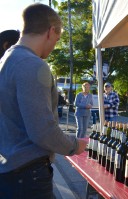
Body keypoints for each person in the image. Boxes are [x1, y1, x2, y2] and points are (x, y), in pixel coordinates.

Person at [0, 3, 87, 199]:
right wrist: (75, 145)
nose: (54, 46)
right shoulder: (32, 64)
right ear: (51, 31)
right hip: (28, 177)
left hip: (11, 173)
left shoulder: (6, 60)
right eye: (56, 39)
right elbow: (42, 130)